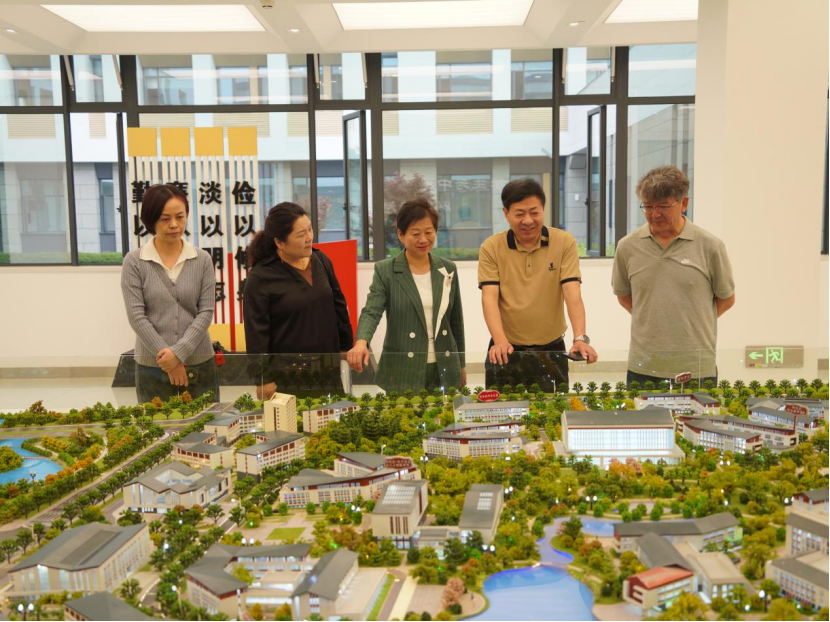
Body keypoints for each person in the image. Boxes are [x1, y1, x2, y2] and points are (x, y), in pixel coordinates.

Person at [612, 165, 736, 387]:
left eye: (663, 206)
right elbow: (623, 296)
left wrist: (690, 321)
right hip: (643, 364)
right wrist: (653, 319)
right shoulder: (627, 247)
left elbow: (726, 299)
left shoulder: (710, 246)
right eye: (648, 206)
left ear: (684, 203)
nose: (654, 214)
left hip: (696, 365)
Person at [479, 178, 597, 390]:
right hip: (506, 348)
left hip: (551, 349)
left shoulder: (564, 242)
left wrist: (580, 338)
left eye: (534, 212)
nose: (528, 220)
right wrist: (499, 340)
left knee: (553, 407)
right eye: (519, 214)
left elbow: (572, 293)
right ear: (506, 213)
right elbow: (489, 298)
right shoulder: (492, 247)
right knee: (501, 409)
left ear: (543, 209)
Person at [348, 198, 465, 393]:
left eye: (429, 232)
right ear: (401, 235)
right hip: (403, 367)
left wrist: (461, 364)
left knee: (445, 413)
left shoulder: (447, 268)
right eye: (416, 234)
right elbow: (372, 311)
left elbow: (455, 321)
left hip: (444, 365)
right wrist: (361, 342)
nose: (423, 239)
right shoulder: (386, 270)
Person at [121, 183, 218, 404]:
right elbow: (136, 316)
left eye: (180, 217)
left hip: (199, 362)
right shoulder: (134, 261)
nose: (174, 224)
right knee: (156, 423)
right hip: (151, 366)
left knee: (205, 422)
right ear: (151, 220)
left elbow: (205, 312)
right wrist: (168, 360)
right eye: (165, 219)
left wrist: (178, 354)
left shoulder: (202, 259)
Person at [243, 202, 353, 399]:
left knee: (330, 415)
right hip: (287, 374)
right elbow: (256, 334)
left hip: (327, 368)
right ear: (280, 242)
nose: (309, 237)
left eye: (310, 229)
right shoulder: (261, 276)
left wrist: (346, 347)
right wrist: (262, 378)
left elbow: (339, 306)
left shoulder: (321, 261)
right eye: (301, 234)